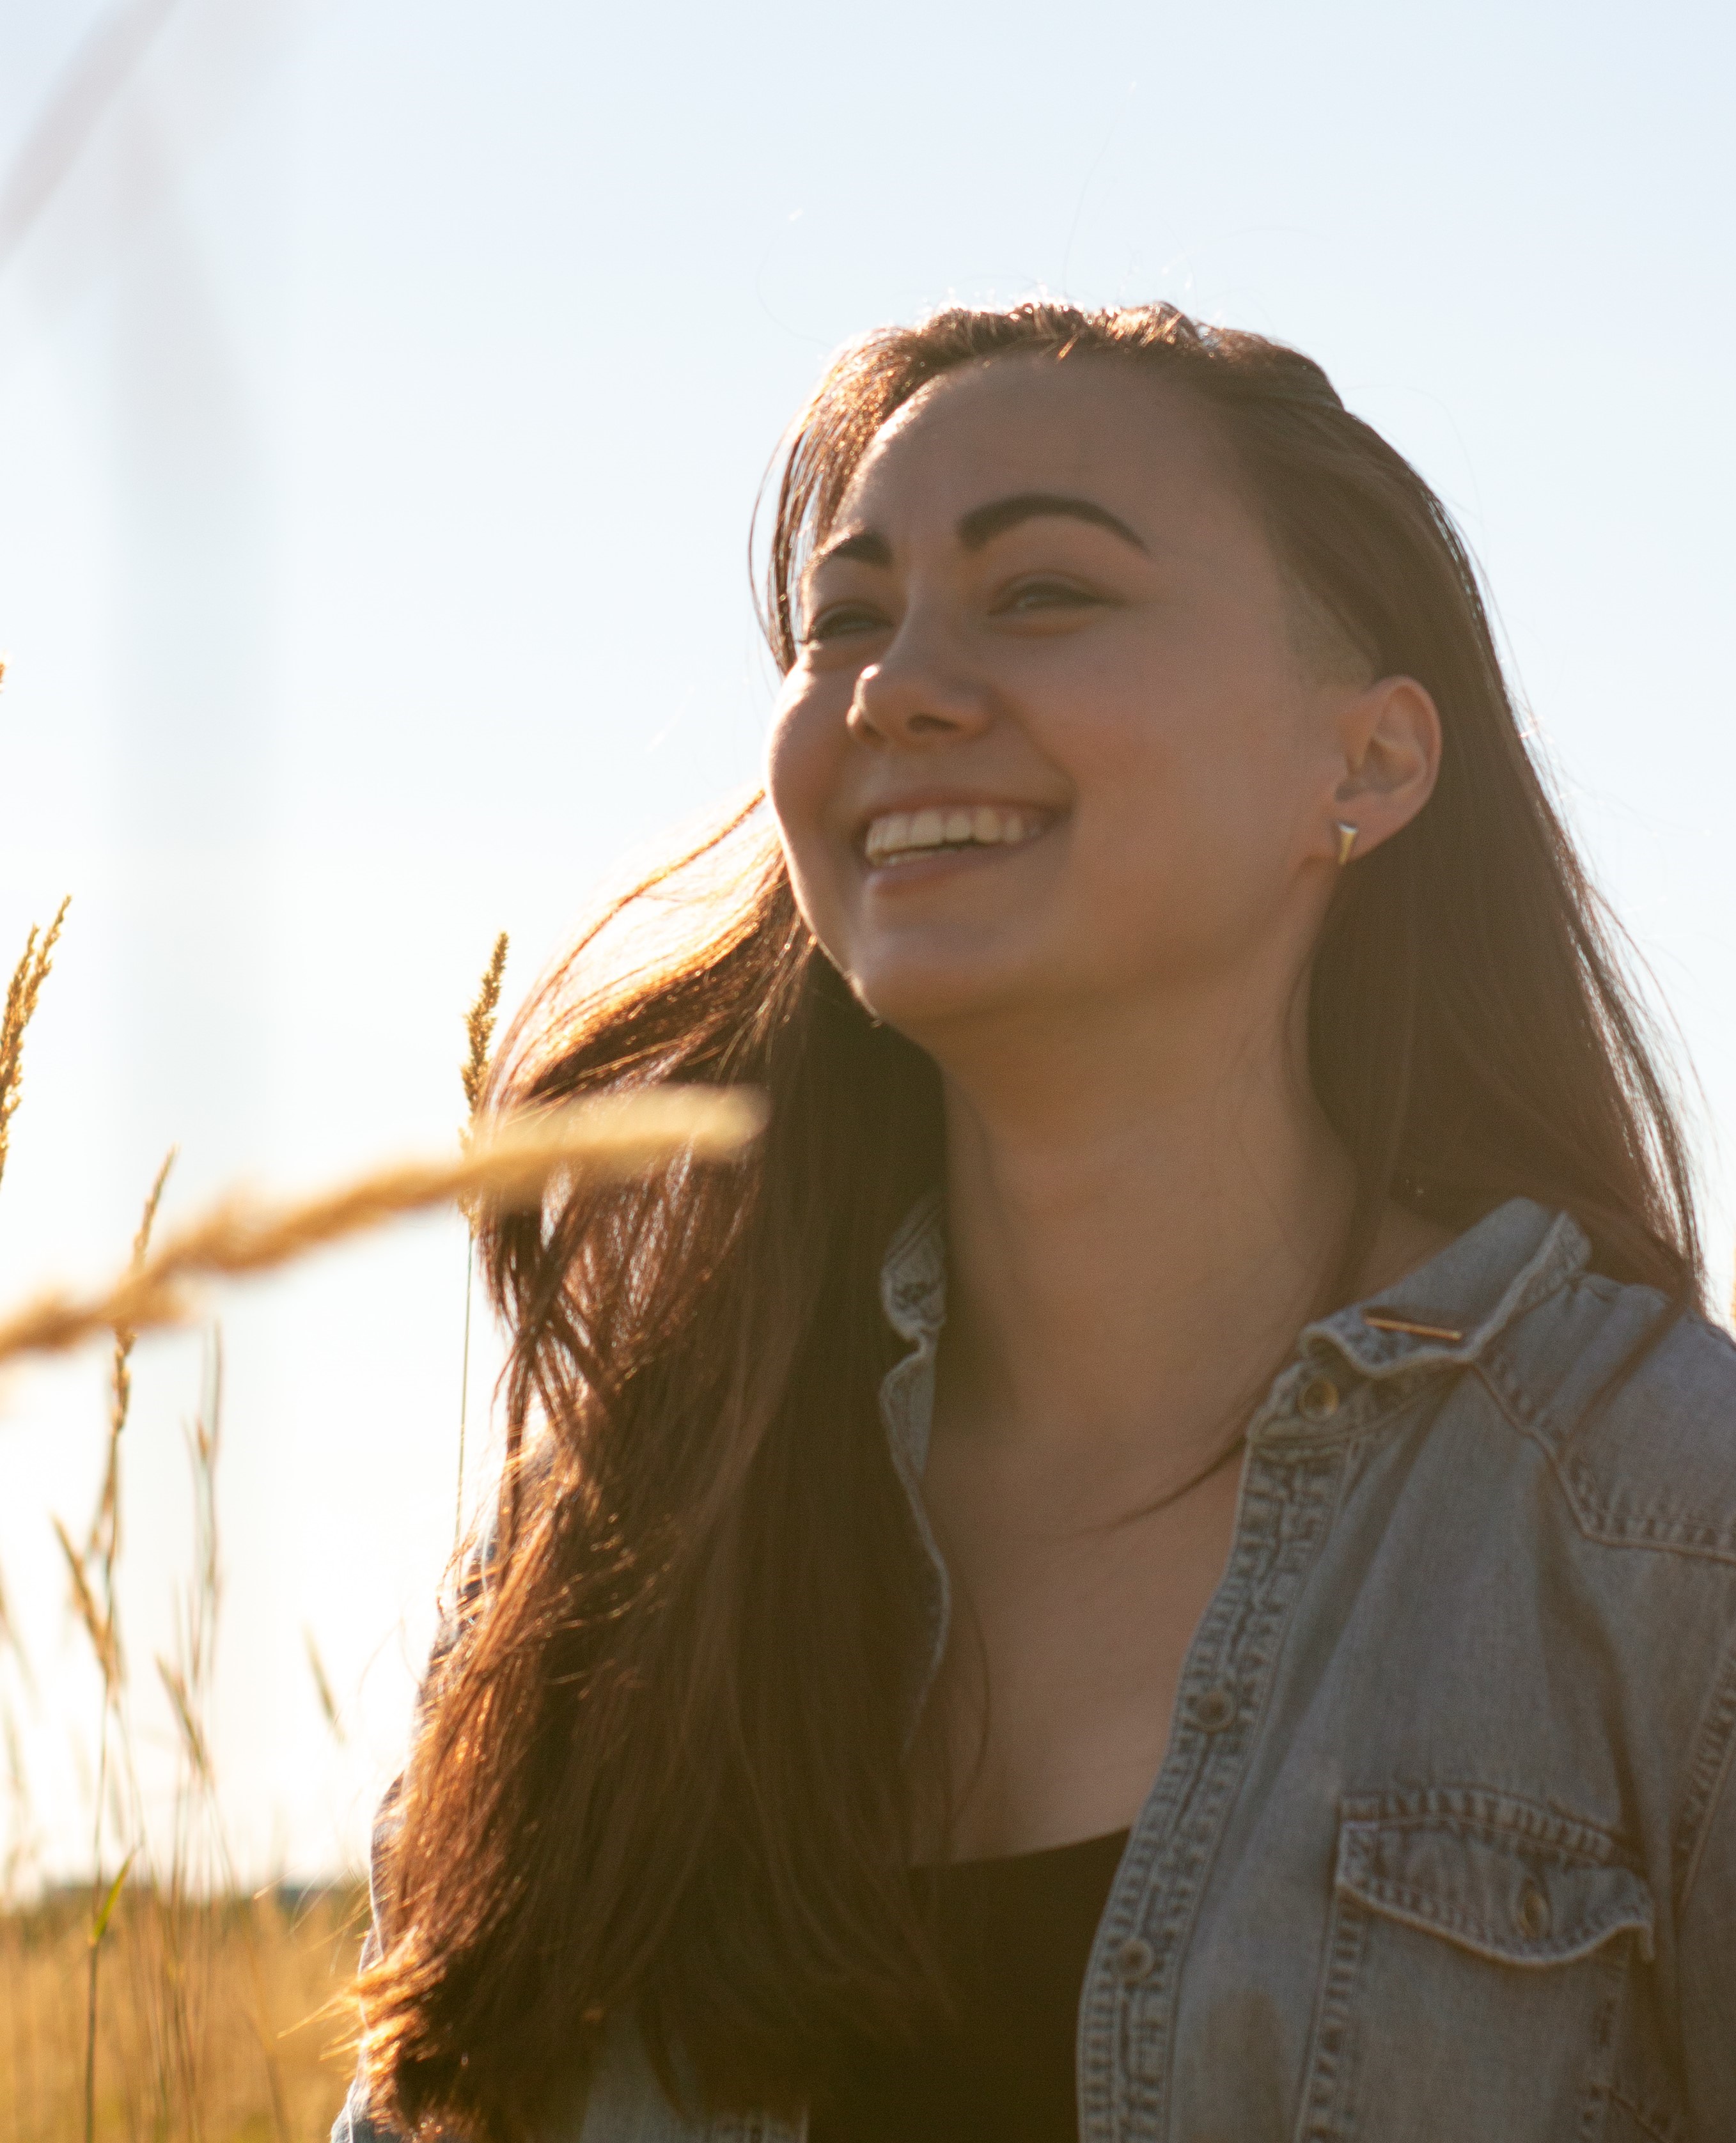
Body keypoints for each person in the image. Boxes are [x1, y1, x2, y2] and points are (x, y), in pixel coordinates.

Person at [334, 301, 1736, 2143]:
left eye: (1044, 597)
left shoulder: (1661, 1527)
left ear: (1368, 767)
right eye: (844, 619)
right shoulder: (620, 1554)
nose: (890, 688)